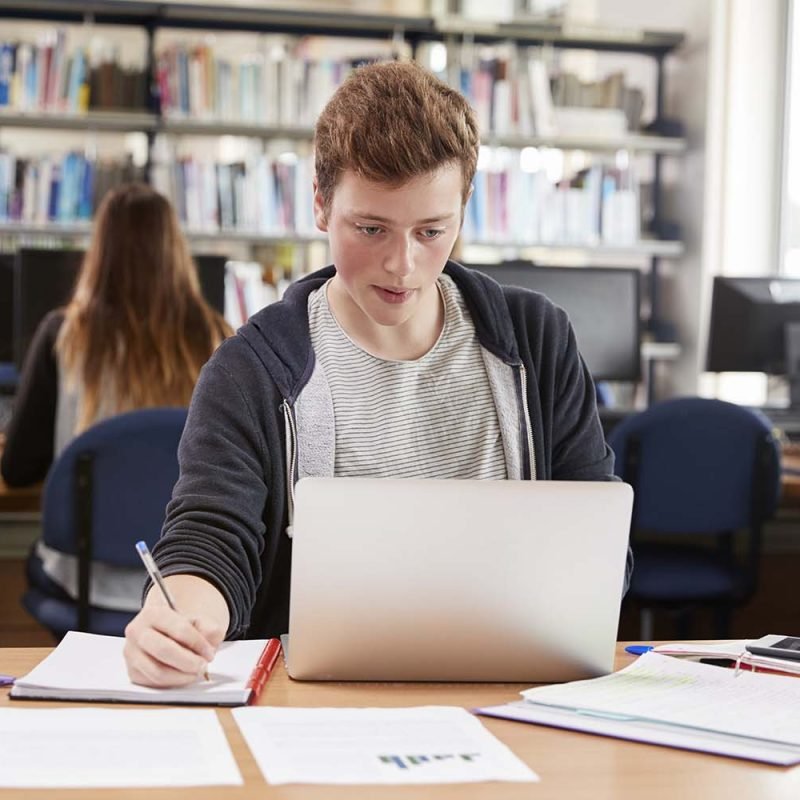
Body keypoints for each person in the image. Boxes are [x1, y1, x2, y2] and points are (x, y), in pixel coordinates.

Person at [124, 61, 629, 687]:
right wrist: (180, 617)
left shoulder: (537, 340)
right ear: (320, 204)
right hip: (319, 707)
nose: (402, 265)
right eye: (371, 229)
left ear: (463, 210)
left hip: (514, 693)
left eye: (431, 231)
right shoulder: (251, 369)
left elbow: (598, 541)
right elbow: (211, 535)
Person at [1, 183, 231, 610]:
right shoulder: (219, 337)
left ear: (99, 252)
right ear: (176, 251)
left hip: (85, 584)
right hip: (188, 587)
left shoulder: (64, 335)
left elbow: (17, 469)